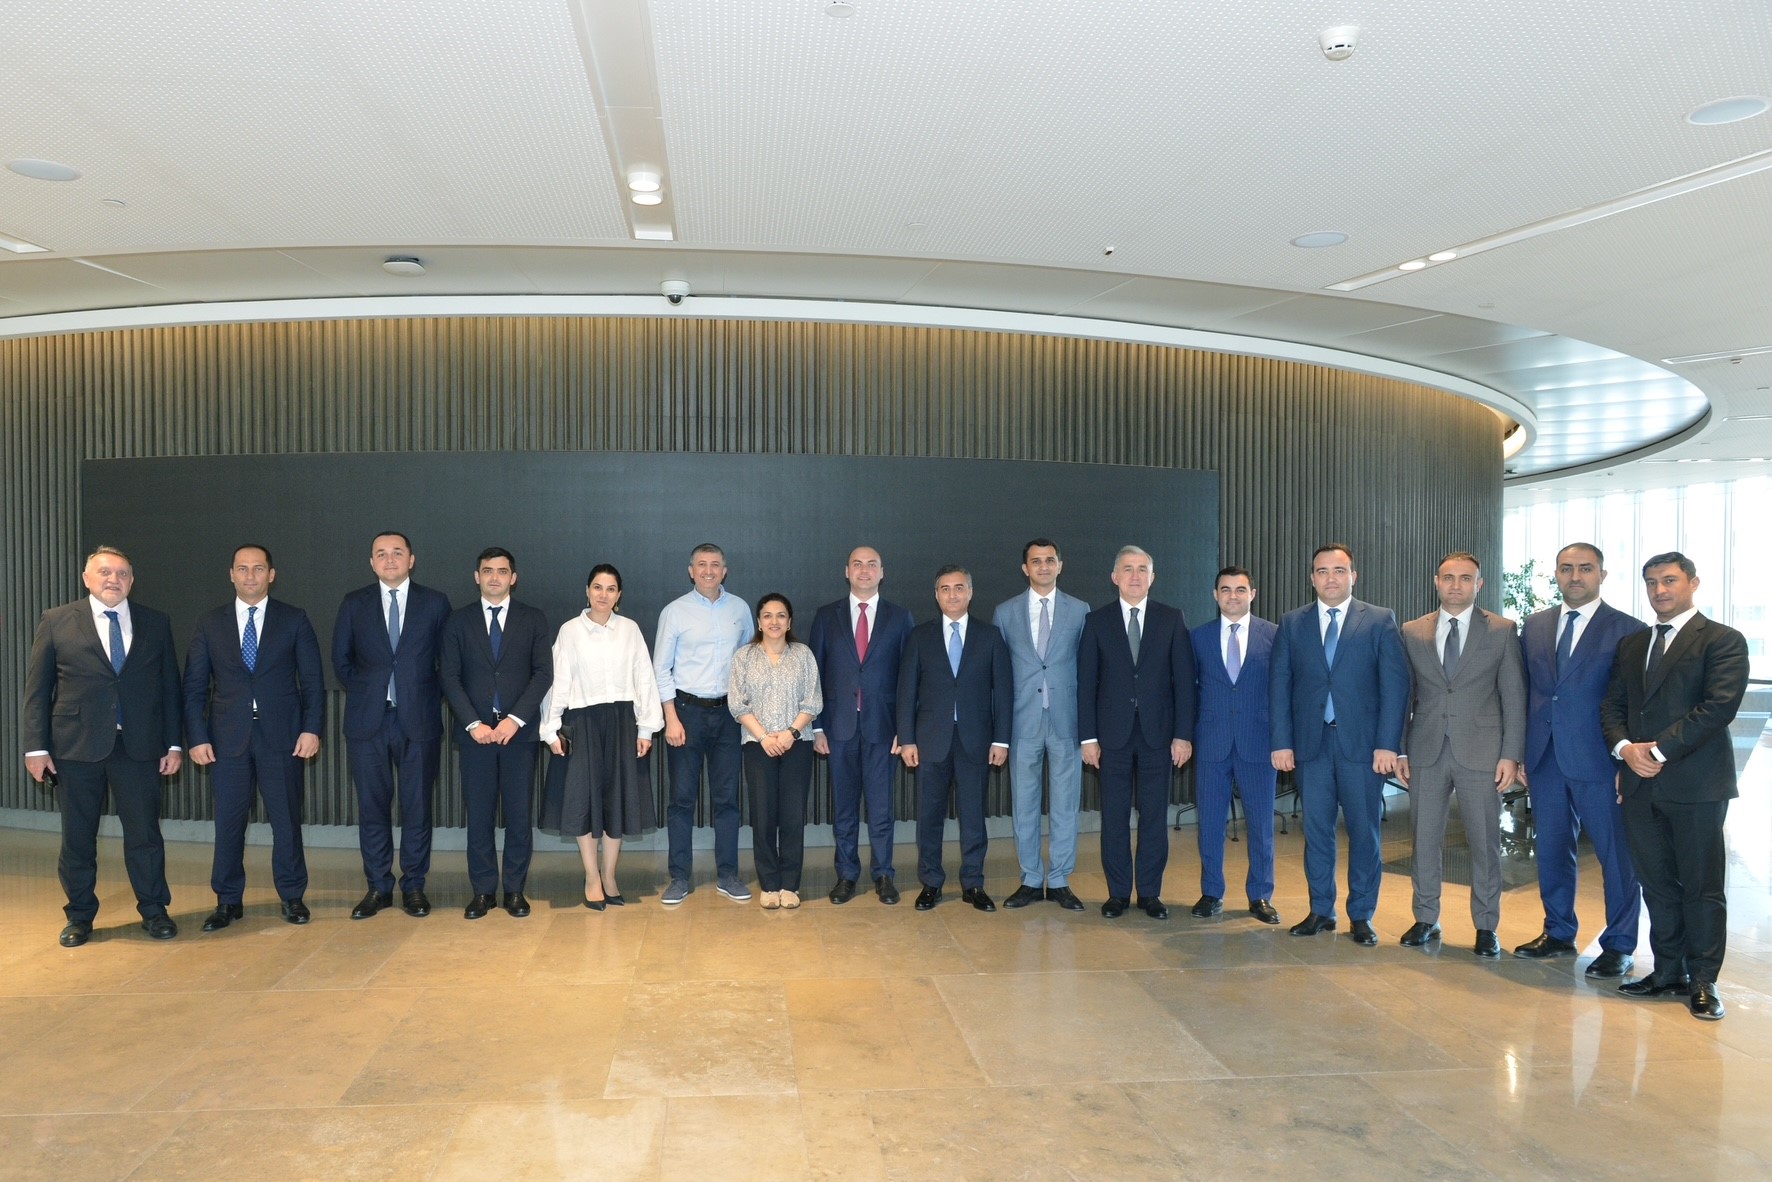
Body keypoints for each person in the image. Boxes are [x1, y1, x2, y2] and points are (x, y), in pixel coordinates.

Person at [1602, 551, 1749, 1021]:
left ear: (1693, 583)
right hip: (1639, 785)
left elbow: (1717, 708)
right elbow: (1613, 706)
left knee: (1701, 887)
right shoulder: (1632, 644)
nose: (1659, 590)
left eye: (1669, 580)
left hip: (1697, 785)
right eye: (1651, 582)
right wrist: (1625, 748)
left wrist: (1656, 752)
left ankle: (1703, 980)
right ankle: (1667, 972)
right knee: (1657, 884)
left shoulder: (1723, 640)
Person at [23, 546, 183, 947]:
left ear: (132, 580)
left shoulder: (155, 622)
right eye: (105, 572)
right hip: (75, 748)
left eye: (123, 573)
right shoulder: (56, 620)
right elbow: (38, 690)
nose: (114, 579)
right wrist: (35, 748)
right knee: (78, 837)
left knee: (145, 835)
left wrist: (173, 743)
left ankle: (154, 910)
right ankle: (79, 916)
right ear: (87, 578)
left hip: (139, 746)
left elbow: (169, 688)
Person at [1513, 543, 1647, 977]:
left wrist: (1626, 763)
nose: (1575, 576)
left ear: (1602, 575)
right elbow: (1527, 692)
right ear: (1556, 574)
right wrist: (1521, 754)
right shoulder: (1536, 625)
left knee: (1616, 856)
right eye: (1566, 568)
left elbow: (1635, 703)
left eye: (1585, 569)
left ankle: (1620, 944)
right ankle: (1558, 931)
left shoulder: (1629, 630)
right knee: (1552, 849)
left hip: (1601, 761)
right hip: (1545, 758)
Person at [1270, 543, 1410, 946]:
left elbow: (1395, 687)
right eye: (1322, 571)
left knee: (1364, 833)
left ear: (1353, 576)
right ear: (1312, 578)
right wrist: (1282, 742)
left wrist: (1388, 744)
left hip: (1363, 749)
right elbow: (1279, 685)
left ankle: (1362, 915)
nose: (1330, 578)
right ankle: (1321, 911)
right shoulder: (1292, 623)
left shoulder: (1379, 620)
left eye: (1339, 570)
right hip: (1311, 747)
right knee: (1317, 832)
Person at [183, 544, 324, 930]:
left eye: (258, 568)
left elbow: (313, 681)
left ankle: (292, 896)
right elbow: (194, 686)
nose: (250, 576)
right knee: (228, 822)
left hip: (283, 737)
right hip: (227, 739)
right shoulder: (210, 623)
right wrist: (197, 736)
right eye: (242, 568)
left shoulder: (294, 619)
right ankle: (227, 900)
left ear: (271, 575)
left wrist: (312, 728)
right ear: (231, 574)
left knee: (286, 820)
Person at [1395, 552, 1526, 958]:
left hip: (1483, 753)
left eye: (1465, 578)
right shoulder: (1412, 631)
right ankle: (1425, 918)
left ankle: (1486, 926)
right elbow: (1404, 696)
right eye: (1448, 577)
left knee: (1485, 842)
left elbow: (1514, 696)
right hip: (1426, 750)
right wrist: (1400, 750)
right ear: (1436, 582)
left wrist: (1511, 754)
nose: (1456, 585)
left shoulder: (1501, 630)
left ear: (1479, 585)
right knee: (1424, 839)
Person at [332, 531, 452, 920]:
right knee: (372, 808)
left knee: (417, 807)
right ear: (371, 562)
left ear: (411, 560)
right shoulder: (354, 603)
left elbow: (448, 660)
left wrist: (423, 693)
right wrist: (369, 691)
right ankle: (378, 886)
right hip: (368, 722)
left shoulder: (435, 602)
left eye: (397, 553)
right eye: (381, 554)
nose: (389, 559)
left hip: (419, 721)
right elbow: (341, 659)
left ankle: (414, 885)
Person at [1077, 545, 1196, 920]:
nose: (1134, 575)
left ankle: (1149, 893)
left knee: (1154, 818)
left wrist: (1183, 735)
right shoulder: (1097, 621)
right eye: (1127, 569)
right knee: (1113, 818)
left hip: (1158, 736)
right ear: (1115, 577)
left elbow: (1184, 682)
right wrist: (1087, 738)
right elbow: (1086, 684)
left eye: (1142, 569)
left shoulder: (1171, 618)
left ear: (1152, 577)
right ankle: (1117, 893)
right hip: (1110, 738)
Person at [540, 564, 663, 910]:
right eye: (597, 587)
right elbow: (558, 681)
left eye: (610, 589)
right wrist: (550, 729)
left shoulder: (630, 629)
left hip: (623, 722)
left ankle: (609, 875)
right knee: (583, 798)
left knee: (616, 799)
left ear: (619, 594)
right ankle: (591, 876)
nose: (603, 595)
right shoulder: (570, 631)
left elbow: (644, 677)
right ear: (587, 590)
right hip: (582, 722)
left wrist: (646, 727)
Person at [440, 547, 553, 920]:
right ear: (477, 577)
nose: (494, 577)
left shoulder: (533, 619)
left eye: (502, 571)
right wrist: (474, 724)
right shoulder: (458, 621)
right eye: (487, 571)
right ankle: (483, 892)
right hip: (476, 736)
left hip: (518, 735)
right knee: (480, 816)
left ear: (513, 578)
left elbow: (543, 673)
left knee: (519, 816)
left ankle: (515, 890)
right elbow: (449, 676)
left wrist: (515, 719)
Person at [898, 566, 1013, 912]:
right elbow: (906, 692)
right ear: (936, 595)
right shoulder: (920, 636)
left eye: (959, 588)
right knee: (929, 816)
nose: (952, 594)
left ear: (970, 592)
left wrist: (1002, 740)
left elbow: (1003, 692)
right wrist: (907, 739)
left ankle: (973, 883)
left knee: (974, 816)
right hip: (930, 741)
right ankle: (931, 882)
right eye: (945, 589)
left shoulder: (990, 636)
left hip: (976, 741)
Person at [809, 546, 914, 904]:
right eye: (857, 564)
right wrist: (817, 727)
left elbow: (908, 677)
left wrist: (905, 729)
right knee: (844, 809)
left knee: (882, 809)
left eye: (872, 565)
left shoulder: (900, 617)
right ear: (847, 571)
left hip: (883, 729)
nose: (864, 570)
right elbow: (814, 676)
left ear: (882, 572)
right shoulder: (827, 616)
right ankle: (847, 875)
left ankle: (884, 874)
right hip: (837, 728)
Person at [653, 543, 753, 906]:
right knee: (682, 800)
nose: (708, 570)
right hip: (686, 713)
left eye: (715, 564)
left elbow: (749, 659)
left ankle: (728, 875)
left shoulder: (740, 609)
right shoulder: (674, 612)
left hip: (729, 715)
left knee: (727, 799)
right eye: (701, 564)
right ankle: (679, 877)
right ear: (691, 570)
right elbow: (660, 668)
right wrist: (671, 718)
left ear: (724, 570)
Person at [992, 539, 1089, 910]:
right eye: (1036, 561)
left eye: (1050, 560)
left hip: (1066, 721)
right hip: (1022, 721)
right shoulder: (1005, 613)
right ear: (1025, 568)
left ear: (1060, 565)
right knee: (1025, 804)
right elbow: (998, 676)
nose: (1043, 566)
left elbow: (1088, 668)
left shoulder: (1080, 610)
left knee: (1066, 804)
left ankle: (1060, 879)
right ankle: (1031, 879)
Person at [1187, 566, 1280, 924]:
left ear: (1252, 594)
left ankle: (1261, 895)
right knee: (1210, 824)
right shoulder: (1198, 637)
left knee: (1261, 825)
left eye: (1240, 590)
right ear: (1215, 595)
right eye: (1225, 590)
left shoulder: (1274, 635)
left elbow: (1283, 690)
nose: (1233, 596)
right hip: (1212, 742)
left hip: (1259, 742)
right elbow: (1189, 690)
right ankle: (1212, 892)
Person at [728, 593, 823, 909]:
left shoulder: (803, 655)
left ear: (790, 621)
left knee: (793, 816)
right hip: (758, 746)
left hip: (797, 743)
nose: (774, 621)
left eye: (781, 615)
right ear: (759, 621)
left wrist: (791, 733)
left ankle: (790, 885)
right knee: (764, 815)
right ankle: (769, 884)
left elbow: (813, 700)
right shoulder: (744, 656)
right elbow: (737, 703)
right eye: (767, 615)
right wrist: (764, 737)